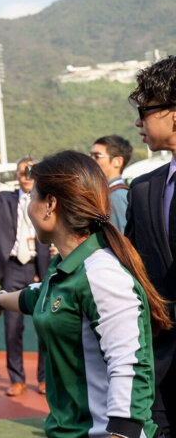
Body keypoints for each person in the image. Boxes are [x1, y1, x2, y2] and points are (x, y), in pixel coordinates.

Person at [0, 150, 170, 438]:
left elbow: (129, 366)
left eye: (33, 197)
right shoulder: (68, 267)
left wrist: (121, 432)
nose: (29, 207)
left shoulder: (101, 273)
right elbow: (39, 295)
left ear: (50, 204)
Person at [0, 153, 49, 396]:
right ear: (16, 175)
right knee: (13, 328)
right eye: (23, 171)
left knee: (45, 325)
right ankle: (17, 379)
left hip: (39, 267)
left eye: (31, 171)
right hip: (12, 268)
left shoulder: (47, 199)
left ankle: (44, 378)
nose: (27, 176)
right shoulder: (5, 199)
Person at [126, 56, 176, 437]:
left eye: (144, 111)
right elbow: (127, 270)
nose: (138, 123)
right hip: (160, 379)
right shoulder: (142, 189)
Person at [90, 135, 132, 232]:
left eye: (97, 156)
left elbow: (119, 237)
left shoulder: (116, 196)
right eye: (91, 155)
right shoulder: (109, 193)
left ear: (118, 161)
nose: (91, 160)